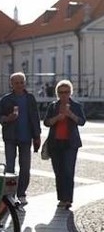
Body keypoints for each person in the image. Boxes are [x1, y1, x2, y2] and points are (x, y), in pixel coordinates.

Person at [0, 72, 41, 206]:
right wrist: (6, 119)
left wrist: (37, 136)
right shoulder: (6, 99)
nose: (19, 85)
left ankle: (21, 193)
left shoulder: (30, 98)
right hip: (10, 137)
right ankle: (9, 194)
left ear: (24, 83)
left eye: (21, 82)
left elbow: (35, 118)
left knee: (25, 167)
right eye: (16, 83)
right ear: (11, 84)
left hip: (26, 137)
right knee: (10, 167)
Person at [43, 80, 86, 210]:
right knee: (59, 172)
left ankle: (68, 199)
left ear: (70, 93)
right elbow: (46, 122)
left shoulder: (76, 106)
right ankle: (61, 198)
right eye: (61, 92)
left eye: (66, 92)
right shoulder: (53, 106)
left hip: (70, 143)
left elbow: (82, 121)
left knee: (68, 171)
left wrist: (70, 115)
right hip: (55, 143)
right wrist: (57, 118)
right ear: (57, 93)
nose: (63, 95)